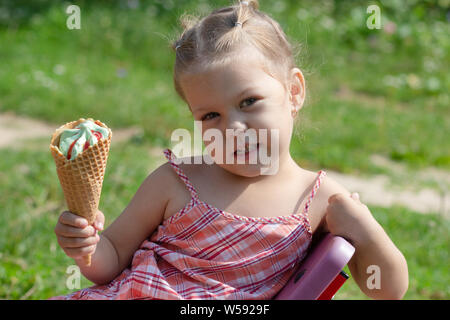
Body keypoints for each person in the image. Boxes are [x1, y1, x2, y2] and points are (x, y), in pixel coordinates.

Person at [50, 0, 408, 300]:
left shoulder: (318, 199)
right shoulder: (174, 182)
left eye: (249, 101)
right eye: (210, 115)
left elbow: (388, 289)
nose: (233, 128)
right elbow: (109, 262)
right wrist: (87, 247)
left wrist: (365, 228)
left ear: (294, 92)